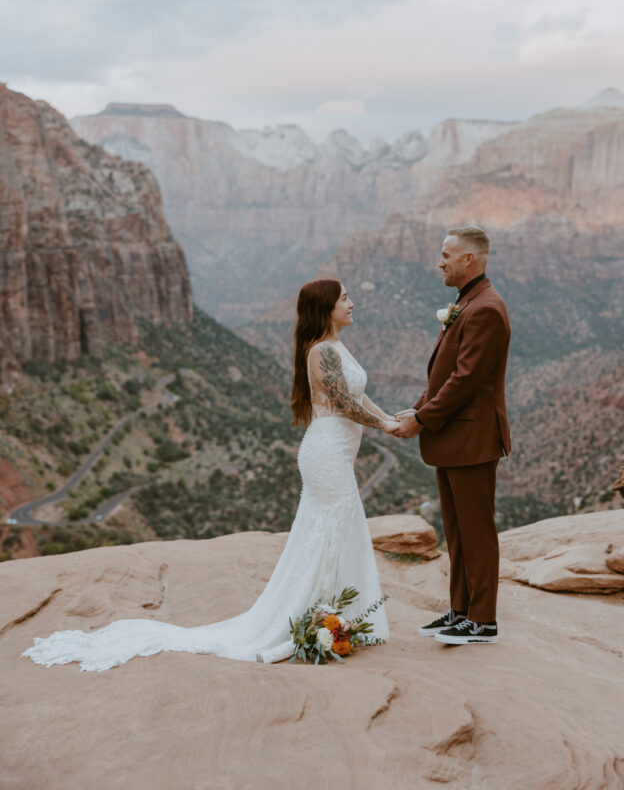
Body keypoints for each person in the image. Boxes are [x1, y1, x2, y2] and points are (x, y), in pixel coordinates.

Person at [22, 279, 397, 671]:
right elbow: (340, 402)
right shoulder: (321, 351)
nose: (352, 304)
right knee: (328, 529)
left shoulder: (336, 346)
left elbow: (356, 396)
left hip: (337, 453)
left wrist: (390, 418)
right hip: (326, 454)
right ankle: (315, 618)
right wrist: (386, 427)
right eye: (345, 299)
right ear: (327, 308)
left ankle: (336, 615)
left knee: (341, 526)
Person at [392, 226, 511, 645]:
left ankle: (483, 620)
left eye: (446, 255)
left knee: (477, 531)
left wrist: (421, 420)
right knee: (457, 532)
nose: (439, 262)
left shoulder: (486, 309)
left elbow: (464, 381)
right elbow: (444, 372)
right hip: (455, 439)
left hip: (473, 439)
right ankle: (461, 611)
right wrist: (420, 407)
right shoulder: (469, 302)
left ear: (469, 261)